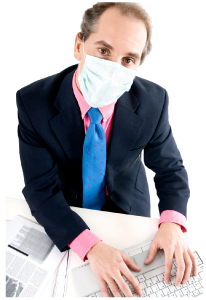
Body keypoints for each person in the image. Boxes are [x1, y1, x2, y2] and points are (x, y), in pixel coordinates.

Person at [16, 2, 197, 298]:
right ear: (79, 44)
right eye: (103, 51)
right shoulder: (33, 103)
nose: (114, 67)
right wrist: (92, 249)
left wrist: (173, 222)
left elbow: (170, 168)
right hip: (66, 206)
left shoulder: (153, 101)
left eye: (128, 59)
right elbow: (40, 190)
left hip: (128, 206)